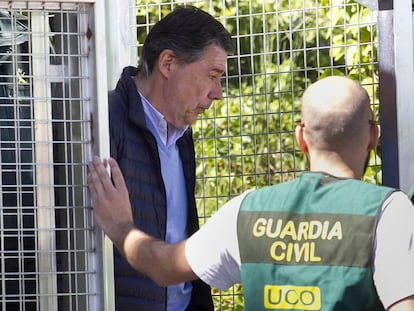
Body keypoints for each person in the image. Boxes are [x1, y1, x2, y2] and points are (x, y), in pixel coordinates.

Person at [90, 76, 414, 310]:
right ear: (373, 136)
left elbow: (162, 266)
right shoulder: (388, 212)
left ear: (301, 137)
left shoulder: (247, 211)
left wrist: (121, 227)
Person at [107, 5, 233, 311]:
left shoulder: (182, 134)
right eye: (212, 76)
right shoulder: (106, 122)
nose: (217, 93)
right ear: (168, 63)